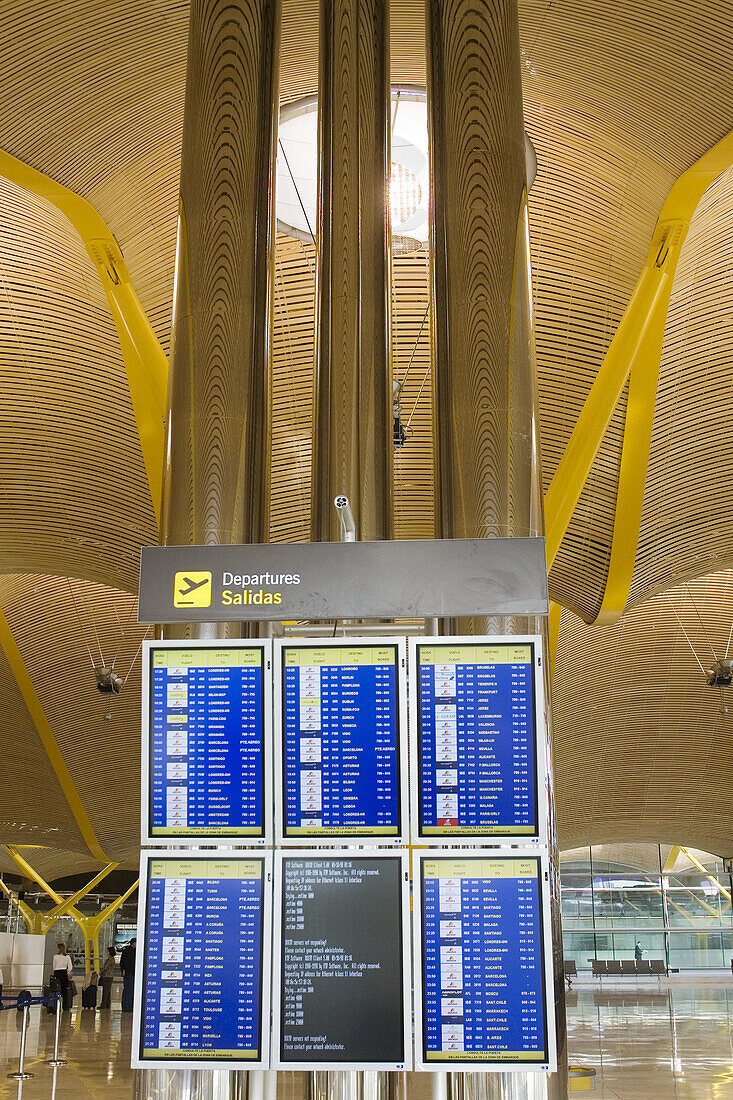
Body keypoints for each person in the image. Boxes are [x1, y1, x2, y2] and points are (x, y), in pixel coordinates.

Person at [52, 942, 73, 1009]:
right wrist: (67, 971)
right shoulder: (67, 957)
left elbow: (53, 967)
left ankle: (55, 1006)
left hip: (57, 973)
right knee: (64, 991)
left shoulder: (55, 956)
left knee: (56, 989)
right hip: (64, 973)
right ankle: (65, 1007)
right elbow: (70, 967)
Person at [119, 938, 136, 1012]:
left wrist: (123, 970)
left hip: (127, 973)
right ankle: (128, 1006)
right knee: (130, 990)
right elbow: (128, 962)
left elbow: (122, 962)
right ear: (133, 943)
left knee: (126, 990)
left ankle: (125, 1006)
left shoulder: (126, 951)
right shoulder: (132, 952)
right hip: (130, 973)